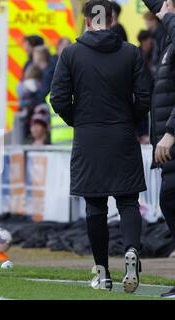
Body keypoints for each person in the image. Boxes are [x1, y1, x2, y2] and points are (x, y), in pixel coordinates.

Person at [51, 0, 152, 293]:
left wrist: (79, 121)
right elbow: (144, 96)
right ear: (109, 20)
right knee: (128, 201)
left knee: (95, 205)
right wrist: (128, 120)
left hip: (88, 137)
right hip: (121, 134)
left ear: (86, 21)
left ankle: (103, 271)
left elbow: (58, 98)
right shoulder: (130, 52)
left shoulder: (70, 53)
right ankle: (132, 250)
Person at [142, 0, 175, 299]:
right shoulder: (168, 37)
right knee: (169, 200)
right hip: (169, 147)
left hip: (172, 140)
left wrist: (170, 133)